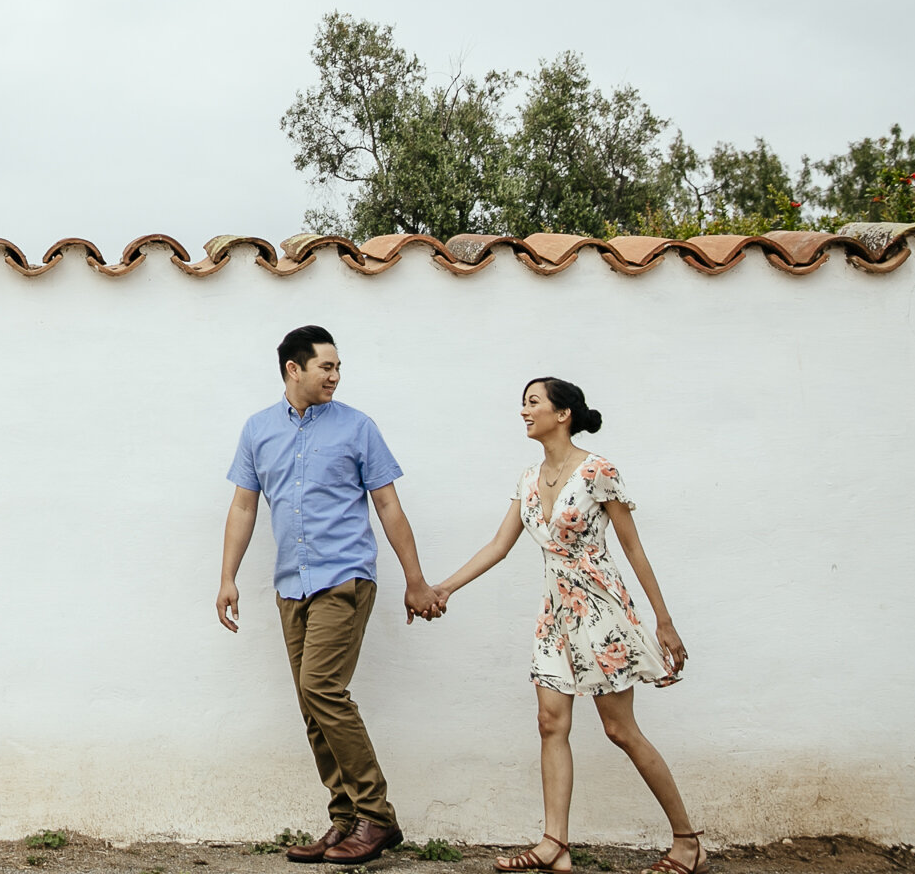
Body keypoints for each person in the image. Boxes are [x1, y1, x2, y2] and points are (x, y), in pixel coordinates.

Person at [428, 378, 703, 874]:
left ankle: (689, 843)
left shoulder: (599, 471)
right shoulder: (528, 478)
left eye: (533, 403)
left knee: (620, 730)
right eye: (523, 403)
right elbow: (498, 546)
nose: (523, 412)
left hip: (601, 613)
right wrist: (443, 588)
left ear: (563, 414)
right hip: (555, 617)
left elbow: (632, 548)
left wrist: (664, 621)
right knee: (550, 724)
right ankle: (555, 844)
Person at [219, 324, 440, 867]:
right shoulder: (258, 429)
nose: (336, 376)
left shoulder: (358, 428)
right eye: (326, 367)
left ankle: (377, 817)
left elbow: (388, 504)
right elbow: (245, 506)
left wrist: (415, 579)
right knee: (312, 704)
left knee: (322, 688)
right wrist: (227, 577)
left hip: (344, 578)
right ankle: (344, 822)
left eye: (338, 367)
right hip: (290, 584)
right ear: (294, 369)